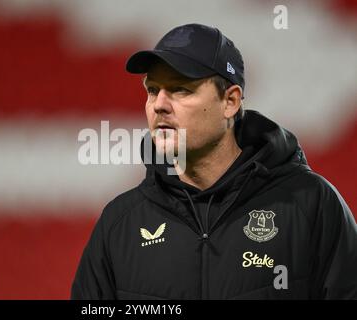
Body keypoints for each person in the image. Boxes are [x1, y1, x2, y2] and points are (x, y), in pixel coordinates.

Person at [71, 23, 357, 299]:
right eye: (153, 90)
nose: (159, 104)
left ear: (230, 101)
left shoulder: (310, 204)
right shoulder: (119, 223)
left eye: (181, 89)